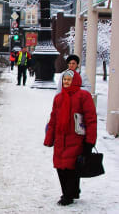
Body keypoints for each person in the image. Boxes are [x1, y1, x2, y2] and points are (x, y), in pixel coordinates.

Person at [44, 70, 97, 206]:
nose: (66, 82)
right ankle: (72, 191)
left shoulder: (83, 96)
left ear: (76, 81)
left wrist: (90, 142)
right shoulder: (59, 98)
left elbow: (91, 119)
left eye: (69, 80)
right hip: (61, 139)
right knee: (60, 167)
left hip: (76, 139)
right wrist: (49, 138)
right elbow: (53, 119)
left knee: (71, 167)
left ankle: (67, 196)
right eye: (64, 80)